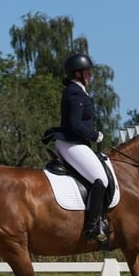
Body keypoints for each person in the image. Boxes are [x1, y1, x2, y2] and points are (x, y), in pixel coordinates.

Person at [42, 53, 109, 242]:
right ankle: (91, 226)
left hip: (77, 143)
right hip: (71, 143)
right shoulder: (74, 92)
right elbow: (74, 124)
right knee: (100, 179)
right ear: (77, 74)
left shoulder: (79, 91)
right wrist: (94, 135)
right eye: (87, 72)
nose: (90, 75)